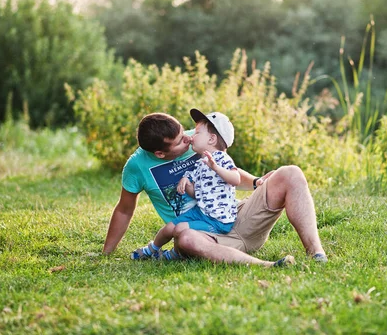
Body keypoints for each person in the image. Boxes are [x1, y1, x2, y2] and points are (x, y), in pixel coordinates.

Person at [102, 111, 327, 266]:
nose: (188, 140)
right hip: (202, 235)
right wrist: (107, 252)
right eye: (180, 140)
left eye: (186, 133)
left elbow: (228, 169)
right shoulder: (137, 166)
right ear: (160, 153)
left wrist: (257, 182)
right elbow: (124, 209)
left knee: (291, 173)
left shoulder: (198, 138)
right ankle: (267, 265)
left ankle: (316, 252)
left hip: (234, 216)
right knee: (185, 238)